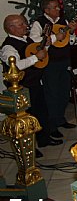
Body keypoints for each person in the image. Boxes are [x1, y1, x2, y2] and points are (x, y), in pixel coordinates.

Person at [1, 14, 61, 153]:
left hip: (34, 82)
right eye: (21, 24)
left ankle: (44, 139)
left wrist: (45, 46)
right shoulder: (8, 47)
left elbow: (38, 48)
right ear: (11, 28)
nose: (25, 26)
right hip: (22, 87)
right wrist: (35, 58)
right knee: (26, 119)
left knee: (40, 112)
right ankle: (29, 149)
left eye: (24, 23)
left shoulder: (26, 39)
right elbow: (14, 67)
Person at [29, 0, 77, 139]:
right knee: (52, 92)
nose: (58, 9)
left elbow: (71, 40)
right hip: (50, 63)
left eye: (58, 7)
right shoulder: (39, 23)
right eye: (55, 7)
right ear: (47, 9)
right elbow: (34, 41)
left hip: (64, 60)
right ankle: (51, 125)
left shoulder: (63, 22)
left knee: (64, 91)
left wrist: (72, 32)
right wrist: (55, 38)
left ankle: (60, 118)